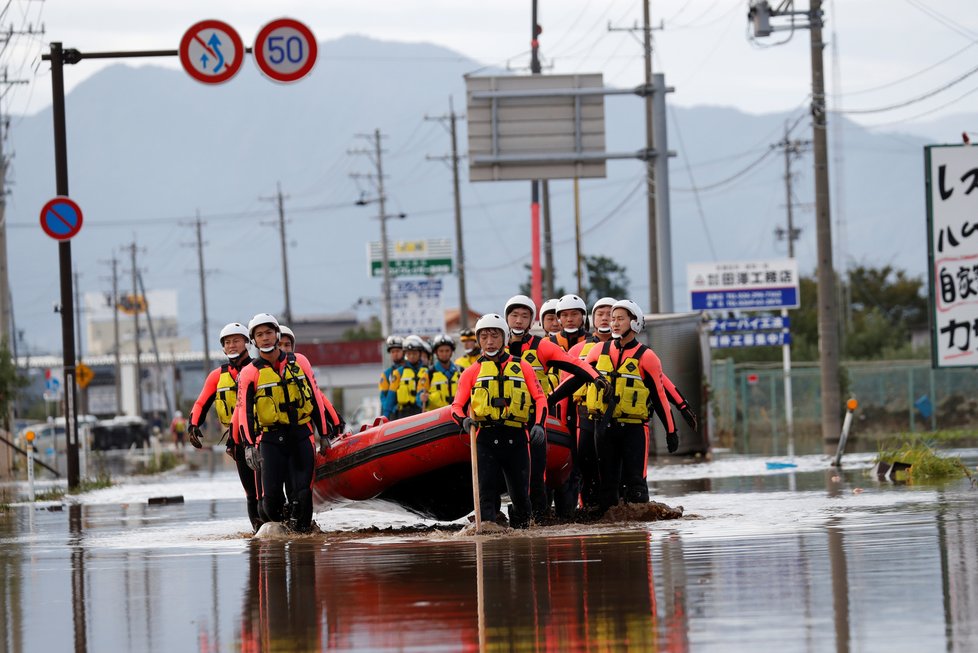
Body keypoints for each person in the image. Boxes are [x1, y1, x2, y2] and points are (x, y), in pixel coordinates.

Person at [503, 294, 606, 520]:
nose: (518, 321)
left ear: (531, 321)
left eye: (524, 316)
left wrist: (595, 375)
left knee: (541, 476)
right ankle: (512, 518)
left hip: (541, 418)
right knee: (508, 477)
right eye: (513, 316)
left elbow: (574, 365)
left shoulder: (543, 347)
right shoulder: (495, 347)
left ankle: (544, 521)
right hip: (504, 422)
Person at [237, 313, 337, 532]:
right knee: (271, 502)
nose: (265, 338)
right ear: (254, 340)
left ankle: (301, 538)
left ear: (277, 334)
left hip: (301, 435)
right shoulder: (249, 373)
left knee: (302, 495)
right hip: (271, 439)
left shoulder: (300, 362)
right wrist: (248, 445)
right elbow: (244, 412)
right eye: (260, 334)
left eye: (269, 333)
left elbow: (316, 397)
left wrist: (324, 433)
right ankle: (278, 526)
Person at [451, 314, 548, 529]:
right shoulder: (471, 372)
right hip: (485, 439)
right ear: (478, 341)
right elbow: (456, 407)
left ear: (504, 338)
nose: (489, 341)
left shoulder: (522, 366)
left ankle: (523, 537)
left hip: (517, 438)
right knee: (486, 493)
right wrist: (464, 421)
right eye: (484, 337)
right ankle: (488, 532)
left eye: (494, 336)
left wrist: (539, 424)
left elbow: (540, 398)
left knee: (521, 496)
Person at [582, 300, 678, 512]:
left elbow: (660, 396)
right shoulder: (598, 350)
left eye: (620, 319)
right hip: (604, 427)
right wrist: (550, 398)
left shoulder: (648, 357)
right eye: (613, 319)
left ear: (634, 323)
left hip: (634, 429)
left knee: (636, 485)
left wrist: (671, 431)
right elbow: (575, 379)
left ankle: (639, 536)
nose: (614, 323)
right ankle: (611, 533)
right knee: (607, 485)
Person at [187, 322, 264, 531]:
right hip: (238, 439)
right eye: (227, 342)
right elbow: (201, 402)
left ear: (247, 343)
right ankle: (259, 535)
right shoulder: (217, 376)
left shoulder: (260, 367)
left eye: (236, 341)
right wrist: (193, 425)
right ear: (223, 347)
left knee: (267, 488)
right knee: (251, 492)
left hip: (265, 435)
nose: (232, 345)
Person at [567, 297, 617, 510]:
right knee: (587, 468)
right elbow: (565, 388)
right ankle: (588, 508)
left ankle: (619, 511)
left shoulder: (631, 349)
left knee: (616, 471)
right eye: (600, 314)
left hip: (619, 418)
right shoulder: (578, 350)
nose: (605, 318)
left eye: (610, 314)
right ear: (592, 318)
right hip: (586, 417)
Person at [385, 335, 429, 419]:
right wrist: (385, 417)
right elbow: (390, 399)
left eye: (414, 353)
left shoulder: (427, 372)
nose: (412, 356)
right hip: (403, 415)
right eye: (409, 353)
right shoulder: (398, 373)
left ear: (420, 353)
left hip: (421, 412)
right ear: (405, 354)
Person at [423, 333, 460, 411]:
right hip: (436, 419)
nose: (444, 354)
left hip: (457, 414)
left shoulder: (460, 371)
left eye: (447, 351)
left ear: (451, 352)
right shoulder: (429, 374)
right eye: (441, 351)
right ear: (436, 353)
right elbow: (420, 394)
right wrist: (421, 398)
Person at [379, 335, 404, 420]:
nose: (395, 354)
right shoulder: (387, 374)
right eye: (392, 352)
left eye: (397, 351)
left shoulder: (408, 370)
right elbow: (383, 396)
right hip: (392, 414)